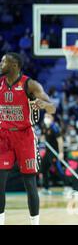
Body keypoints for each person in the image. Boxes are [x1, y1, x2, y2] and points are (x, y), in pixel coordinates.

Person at [0, 52, 56, 225]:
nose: (1, 63)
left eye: (4, 61)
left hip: (25, 136)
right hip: (3, 136)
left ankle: (35, 223)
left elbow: (52, 108)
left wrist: (44, 105)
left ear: (15, 65)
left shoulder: (29, 84)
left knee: (30, 184)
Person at [40, 113, 64, 194]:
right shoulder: (44, 126)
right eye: (45, 116)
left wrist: (61, 153)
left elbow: (60, 140)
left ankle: (68, 186)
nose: (46, 118)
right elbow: (42, 136)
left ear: (52, 118)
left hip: (55, 152)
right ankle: (46, 188)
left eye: (48, 117)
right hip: (48, 151)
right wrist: (42, 138)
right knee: (43, 168)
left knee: (57, 169)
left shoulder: (54, 127)